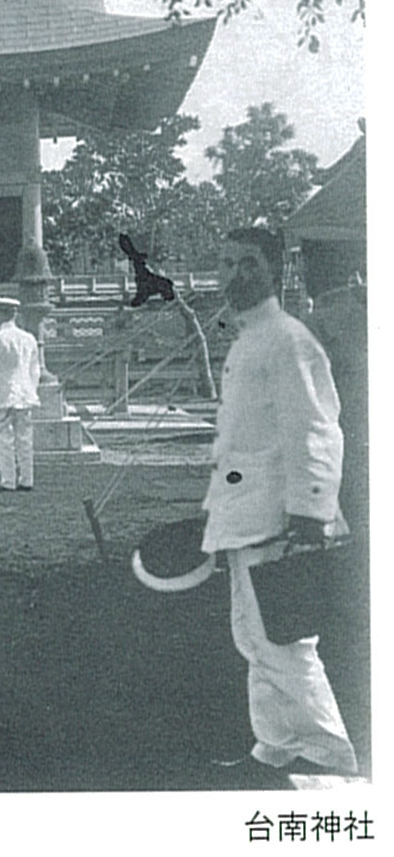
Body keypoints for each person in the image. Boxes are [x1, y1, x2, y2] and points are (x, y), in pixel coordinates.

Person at [203, 226, 358, 780]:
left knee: (284, 639)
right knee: (253, 634)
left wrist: (311, 510)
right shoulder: (250, 339)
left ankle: (332, 755)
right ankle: (277, 741)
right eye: (226, 263)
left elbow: (316, 428)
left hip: (279, 514)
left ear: (276, 271)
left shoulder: (289, 339)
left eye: (249, 263)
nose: (235, 274)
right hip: (245, 508)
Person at [0, 296, 41, 491]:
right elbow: (35, 370)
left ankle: (8, 481)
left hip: (4, 394)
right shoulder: (29, 339)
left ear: (0, 314)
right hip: (25, 394)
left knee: (4, 439)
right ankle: (27, 479)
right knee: (25, 438)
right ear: (15, 314)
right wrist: (31, 390)